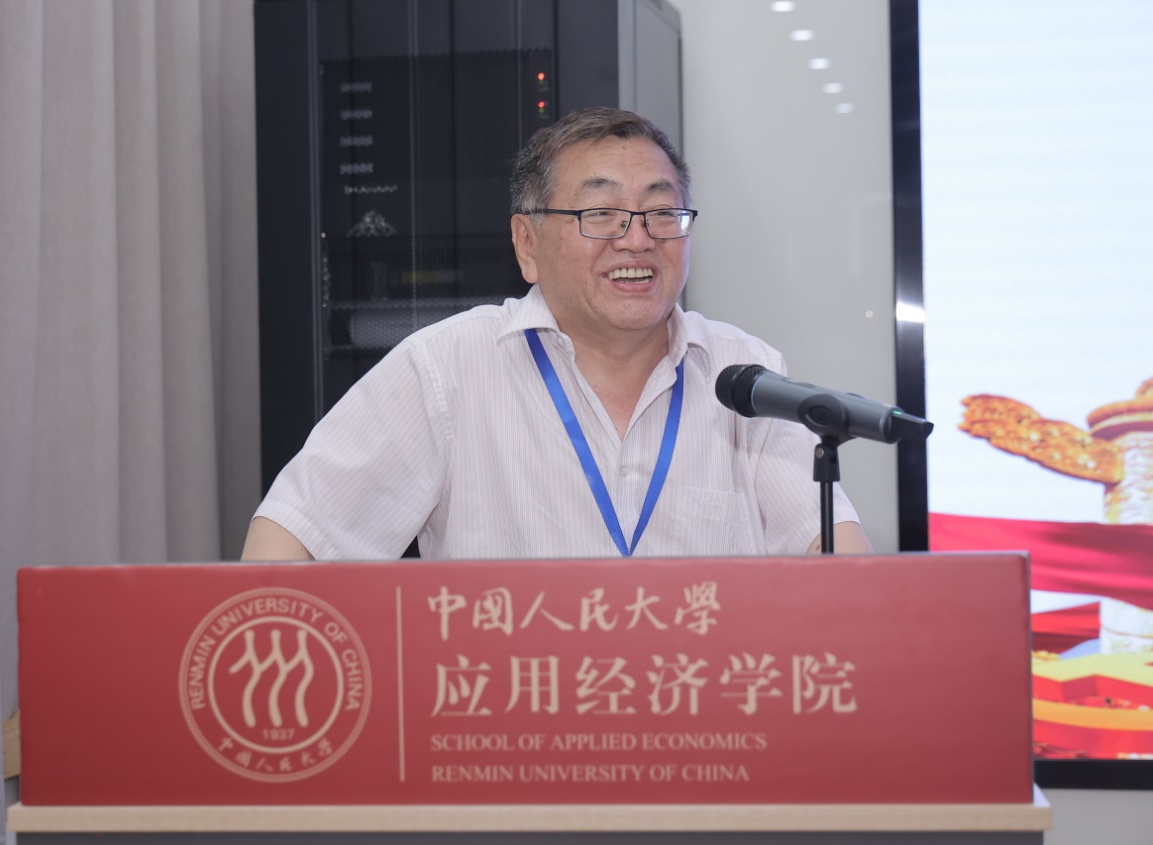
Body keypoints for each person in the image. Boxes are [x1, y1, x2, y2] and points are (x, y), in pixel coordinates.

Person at [242, 107, 872, 562]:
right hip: (517, 705)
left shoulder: (743, 374)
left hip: (699, 706)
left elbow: (836, 557)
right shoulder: (448, 367)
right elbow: (295, 538)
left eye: (661, 211)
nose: (637, 238)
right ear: (527, 244)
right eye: (600, 213)